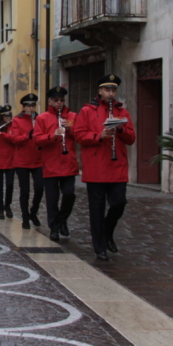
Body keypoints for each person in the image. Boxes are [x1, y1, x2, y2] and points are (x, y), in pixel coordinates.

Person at [74, 74, 136, 261]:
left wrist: (120, 129)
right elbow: (79, 135)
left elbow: (131, 138)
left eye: (113, 90)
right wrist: (98, 136)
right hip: (96, 167)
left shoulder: (121, 112)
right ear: (100, 91)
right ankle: (99, 246)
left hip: (117, 166)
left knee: (119, 203)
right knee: (97, 208)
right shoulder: (87, 110)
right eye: (107, 90)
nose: (111, 93)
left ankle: (107, 232)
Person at [34, 87, 78, 241]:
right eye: (56, 100)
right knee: (52, 198)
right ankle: (54, 227)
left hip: (68, 163)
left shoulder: (72, 116)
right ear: (50, 101)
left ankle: (62, 218)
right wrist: (53, 136)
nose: (59, 103)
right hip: (50, 163)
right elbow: (37, 140)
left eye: (62, 100)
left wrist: (70, 129)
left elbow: (80, 136)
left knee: (69, 194)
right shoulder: (42, 118)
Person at [12, 93, 44, 229]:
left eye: (33, 105)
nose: (31, 108)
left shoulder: (40, 119)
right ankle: (25, 217)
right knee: (24, 191)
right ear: (23, 107)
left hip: (38, 159)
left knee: (39, 188)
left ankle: (33, 211)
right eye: (28, 106)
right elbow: (15, 140)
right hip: (22, 161)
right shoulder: (17, 120)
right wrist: (28, 135)